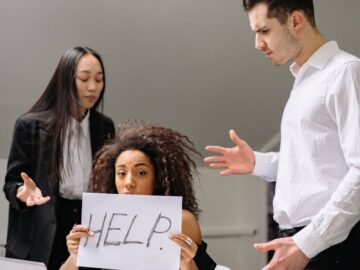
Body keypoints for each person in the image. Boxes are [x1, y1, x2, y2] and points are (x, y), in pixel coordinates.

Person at [204, 0, 360, 269]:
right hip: (300, 241)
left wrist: (307, 243)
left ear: (296, 21)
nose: (257, 43)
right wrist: (257, 163)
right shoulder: (305, 79)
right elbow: (313, 165)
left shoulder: (345, 72)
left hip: (328, 246)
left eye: (263, 31)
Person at [3, 46, 115, 270]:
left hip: (86, 226)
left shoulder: (104, 126)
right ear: (66, 80)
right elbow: (11, 184)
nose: (93, 87)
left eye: (99, 80)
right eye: (84, 79)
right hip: (44, 228)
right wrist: (22, 193)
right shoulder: (30, 125)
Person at [60, 122, 217, 270]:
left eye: (141, 173)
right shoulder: (100, 220)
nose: (129, 182)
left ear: (157, 178)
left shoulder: (181, 220)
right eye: (121, 173)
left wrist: (187, 263)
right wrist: (74, 257)